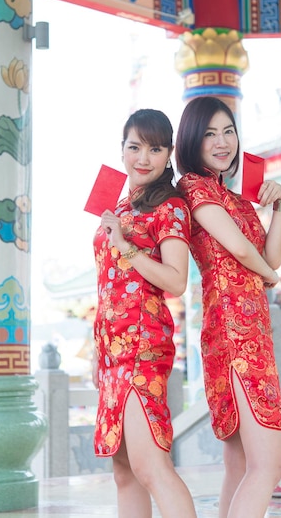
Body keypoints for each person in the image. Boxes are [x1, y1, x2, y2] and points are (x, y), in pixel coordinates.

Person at [175, 96, 281, 518]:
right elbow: (242, 251)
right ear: (191, 139)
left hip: (251, 330)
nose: (223, 142)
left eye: (228, 131)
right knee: (270, 463)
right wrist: (271, 278)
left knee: (241, 464)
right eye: (210, 133)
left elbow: (270, 255)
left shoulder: (235, 197)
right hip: (232, 331)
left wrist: (280, 207)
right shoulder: (195, 186)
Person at [92, 108, 197, 518]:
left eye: (155, 149)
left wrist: (125, 244)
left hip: (142, 346)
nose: (143, 158)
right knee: (124, 471)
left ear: (168, 154)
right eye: (134, 147)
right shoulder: (118, 207)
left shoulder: (170, 208)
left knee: (151, 466)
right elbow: (106, 282)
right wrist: (98, 350)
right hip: (111, 352)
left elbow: (176, 280)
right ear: (122, 150)